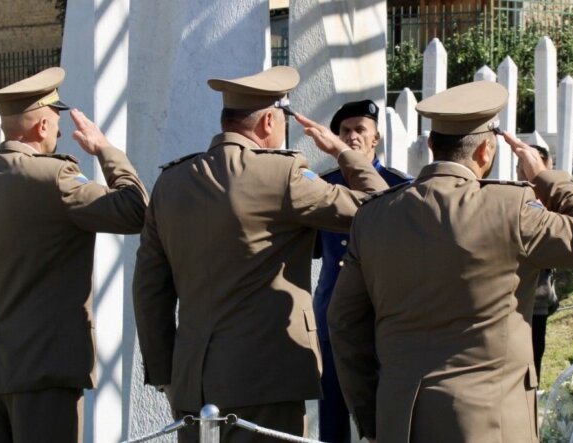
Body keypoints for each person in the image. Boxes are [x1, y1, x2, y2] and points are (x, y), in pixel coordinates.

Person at [328, 81, 573, 442]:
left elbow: (343, 322)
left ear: (432, 146)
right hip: (490, 420)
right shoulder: (510, 208)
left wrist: (374, 416)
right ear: (486, 151)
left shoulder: (373, 217)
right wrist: (546, 179)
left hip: (401, 418)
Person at [132, 66, 388, 442]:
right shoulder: (282, 175)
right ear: (269, 120)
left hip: (193, 383)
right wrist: (343, 153)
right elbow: (380, 207)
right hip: (269, 379)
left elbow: (148, 289)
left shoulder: (171, 182)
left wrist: (167, 376)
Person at [0, 67, 148, 443]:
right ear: (41, 127)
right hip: (45, 371)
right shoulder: (56, 178)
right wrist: (104, 149)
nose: (57, 130)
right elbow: (136, 209)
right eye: (56, 120)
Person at [314, 99, 411, 443]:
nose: (352, 137)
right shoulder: (321, 186)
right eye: (344, 131)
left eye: (360, 130)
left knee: (386, 415)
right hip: (332, 318)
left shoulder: (400, 185)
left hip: (382, 315)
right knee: (333, 418)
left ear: (376, 139)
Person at [516, 143, 560, 384]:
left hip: (539, 301)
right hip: (515, 301)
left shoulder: (552, 205)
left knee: (534, 369)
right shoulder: (515, 202)